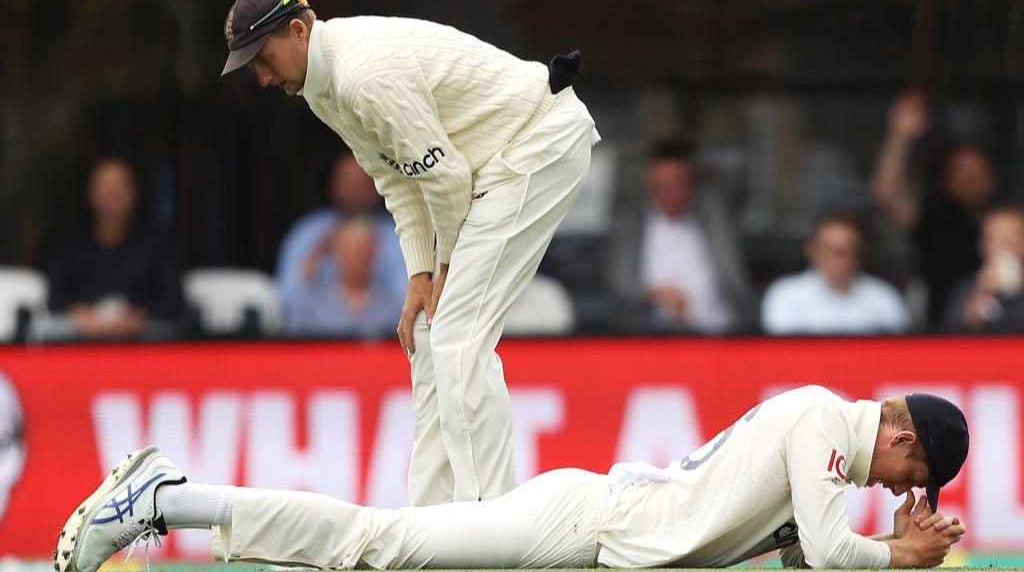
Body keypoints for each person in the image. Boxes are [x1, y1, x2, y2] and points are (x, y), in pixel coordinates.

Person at [220, 0, 598, 505]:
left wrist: (442, 268)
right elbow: (397, 181)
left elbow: (445, 180)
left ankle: (494, 527)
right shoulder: (321, 88)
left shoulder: (363, 77)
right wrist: (420, 277)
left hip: (536, 143)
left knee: (458, 336)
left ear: (298, 31)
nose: (263, 78)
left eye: (264, 59)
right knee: (428, 330)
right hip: (490, 162)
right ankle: (432, 519)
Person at [56, 385, 969, 572]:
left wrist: (897, 548)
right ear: (900, 432)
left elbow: (801, 565)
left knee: (378, 552)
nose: (902, 492)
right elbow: (825, 548)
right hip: (585, 526)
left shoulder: (835, 452)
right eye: (915, 472)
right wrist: (902, 555)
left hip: (601, 546)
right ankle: (164, 499)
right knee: (381, 544)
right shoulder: (821, 419)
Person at [870, 90, 998, 326]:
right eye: (960, 173)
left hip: (1007, 336)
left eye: (975, 172)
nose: (969, 179)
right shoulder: (935, 219)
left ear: (991, 178)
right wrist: (900, 137)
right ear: (945, 180)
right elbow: (887, 194)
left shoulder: (1006, 220)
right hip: (941, 335)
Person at [609, 140, 754, 333]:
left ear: (691, 184)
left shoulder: (714, 218)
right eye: (659, 186)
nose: (668, 194)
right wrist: (653, 295)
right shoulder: (633, 225)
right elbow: (621, 282)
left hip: (718, 330)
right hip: (651, 334)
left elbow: (735, 279)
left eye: (675, 184)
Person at [45, 157, 183, 339]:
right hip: (80, 340)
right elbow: (55, 297)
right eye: (104, 187)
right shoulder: (70, 246)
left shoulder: (158, 246)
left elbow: (173, 299)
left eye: (119, 186)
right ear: (90, 193)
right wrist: (81, 314)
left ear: (134, 192)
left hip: (144, 341)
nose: (112, 193)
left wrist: (140, 317)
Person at [277, 151, 407, 310]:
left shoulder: (399, 233)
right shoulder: (309, 231)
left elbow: (407, 298)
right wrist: (316, 256)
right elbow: (286, 299)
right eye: (348, 182)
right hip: (317, 328)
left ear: (377, 186)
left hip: (379, 327)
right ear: (333, 186)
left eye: (362, 182)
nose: (355, 190)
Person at [762, 211, 910, 335]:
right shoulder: (786, 295)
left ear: (861, 253)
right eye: (830, 249)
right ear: (812, 249)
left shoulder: (883, 298)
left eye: (846, 250)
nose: (838, 258)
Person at [283, 216, 403, 336]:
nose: (354, 258)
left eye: (361, 251)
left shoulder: (392, 310)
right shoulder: (311, 306)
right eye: (348, 250)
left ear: (374, 253)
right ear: (336, 252)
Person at [943, 206, 1024, 332]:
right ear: (982, 245)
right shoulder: (966, 288)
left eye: (1010, 240)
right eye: (996, 240)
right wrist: (982, 291)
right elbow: (952, 336)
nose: (1003, 247)